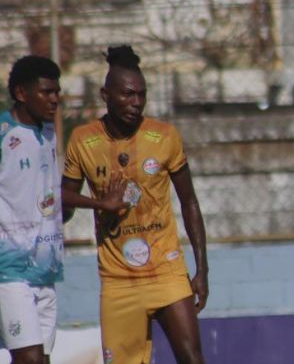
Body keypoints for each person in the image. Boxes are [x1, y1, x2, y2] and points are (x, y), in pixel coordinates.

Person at [61, 45, 209, 364]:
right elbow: (65, 203)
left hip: (167, 270)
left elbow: (190, 201)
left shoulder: (165, 136)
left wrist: (202, 269)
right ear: (105, 94)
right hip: (118, 281)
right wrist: (100, 204)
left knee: (192, 358)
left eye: (142, 95)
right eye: (128, 95)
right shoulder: (82, 141)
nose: (136, 103)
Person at [0, 56, 62, 364]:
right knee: (30, 360)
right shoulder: (3, 133)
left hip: (45, 269)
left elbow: (50, 194)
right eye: (47, 92)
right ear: (22, 93)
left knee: (42, 360)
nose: (55, 100)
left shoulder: (49, 132)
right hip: (9, 271)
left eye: (57, 92)